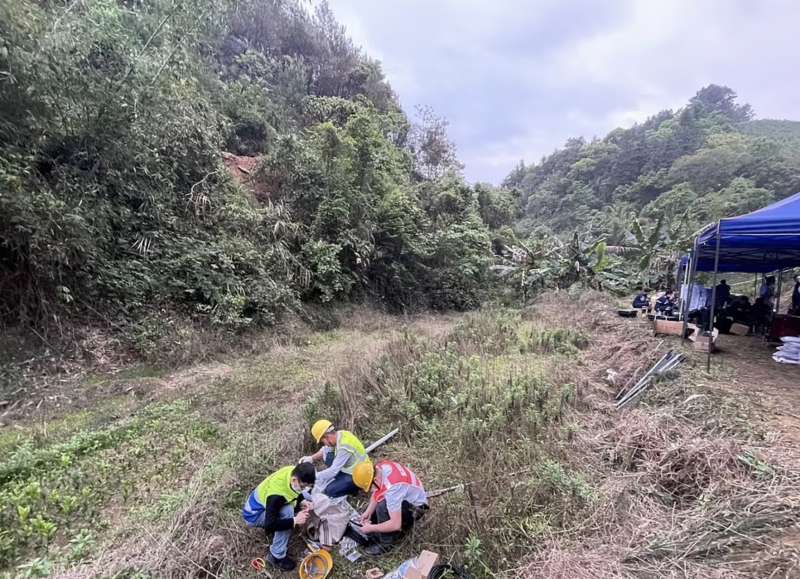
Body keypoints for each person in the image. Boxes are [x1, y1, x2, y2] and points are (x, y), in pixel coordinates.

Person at [243, 462, 316, 572]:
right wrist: (295, 520)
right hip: (254, 516)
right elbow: (270, 525)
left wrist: (303, 501)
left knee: (304, 497)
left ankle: (286, 523)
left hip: (266, 506)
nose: (304, 488)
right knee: (288, 512)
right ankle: (276, 556)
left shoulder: (293, 471)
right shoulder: (276, 495)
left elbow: (293, 491)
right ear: (295, 480)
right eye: (303, 486)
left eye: (307, 486)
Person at [351, 460, 429, 556]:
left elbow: (395, 524)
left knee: (382, 507)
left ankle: (386, 544)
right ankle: (379, 528)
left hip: (416, 508)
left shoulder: (393, 489)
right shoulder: (379, 468)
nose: (369, 491)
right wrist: (368, 512)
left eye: (369, 488)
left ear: (375, 480)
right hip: (408, 495)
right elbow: (377, 491)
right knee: (378, 509)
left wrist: (371, 528)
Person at [302, 420, 368, 498]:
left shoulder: (345, 446)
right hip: (351, 469)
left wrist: (313, 477)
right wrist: (311, 458)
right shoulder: (340, 434)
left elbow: (333, 471)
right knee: (328, 455)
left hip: (360, 475)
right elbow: (324, 450)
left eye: (323, 442)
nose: (324, 444)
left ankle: (354, 489)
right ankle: (340, 481)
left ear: (326, 436)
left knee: (330, 490)